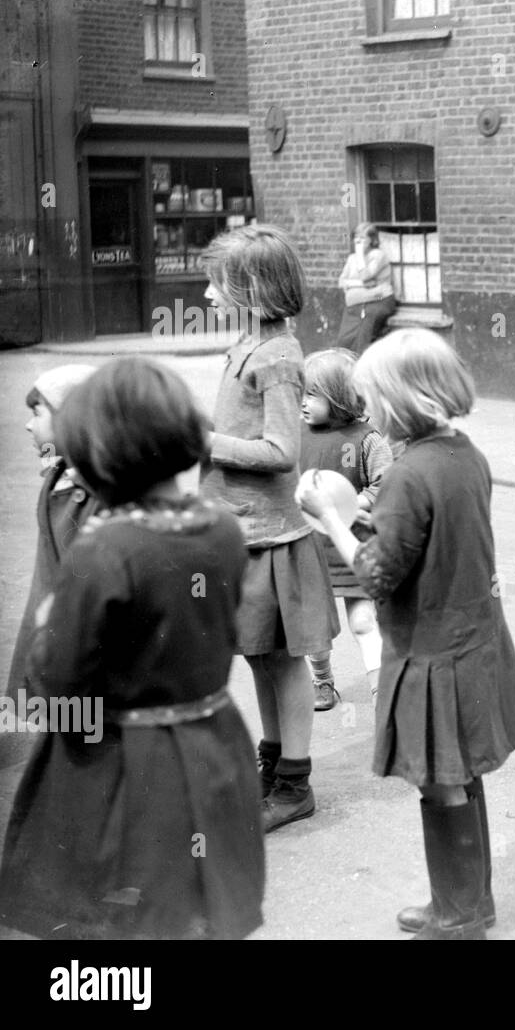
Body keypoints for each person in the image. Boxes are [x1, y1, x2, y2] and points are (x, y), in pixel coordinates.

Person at [0, 358, 264, 940]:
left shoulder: (103, 548)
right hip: (213, 741)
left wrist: (50, 624)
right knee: (193, 905)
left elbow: (61, 680)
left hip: (124, 757)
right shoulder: (220, 527)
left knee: (127, 917)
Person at [297, 328, 515, 940]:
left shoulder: (407, 474)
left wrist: (332, 519)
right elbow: (434, 531)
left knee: (438, 778)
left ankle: (459, 914)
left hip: (432, 653)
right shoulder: (464, 453)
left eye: (373, 400)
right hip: (474, 639)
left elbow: (375, 575)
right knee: (462, 773)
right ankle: (469, 901)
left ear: (407, 402)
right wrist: (376, 515)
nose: (368, 411)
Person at [200, 224, 339, 832]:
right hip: (242, 536)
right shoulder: (247, 347)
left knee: (281, 663)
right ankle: (272, 767)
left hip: (272, 539)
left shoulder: (279, 357)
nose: (207, 296)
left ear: (252, 290)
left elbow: (283, 450)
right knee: (259, 659)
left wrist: (208, 444)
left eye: (217, 284)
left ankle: (294, 784)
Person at [299, 348, 394, 710]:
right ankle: (322, 681)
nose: (303, 403)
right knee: (314, 629)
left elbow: (386, 483)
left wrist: (355, 503)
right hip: (309, 547)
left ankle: (380, 688)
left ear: (338, 398)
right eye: (301, 393)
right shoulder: (297, 435)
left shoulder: (366, 439)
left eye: (312, 395)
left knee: (363, 620)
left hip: (354, 545)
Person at [5, 365, 99, 711]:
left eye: (37, 412)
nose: (28, 424)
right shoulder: (59, 472)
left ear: (71, 419)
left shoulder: (96, 494)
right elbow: (53, 459)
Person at [336, 222, 396, 354]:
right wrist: (360, 285)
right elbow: (341, 281)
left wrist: (360, 255)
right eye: (356, 237)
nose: (358, 241)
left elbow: (365, 275)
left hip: (379, 299)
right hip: (357, 302)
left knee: (364, 334)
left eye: (362, 238)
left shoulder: (378, 255)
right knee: (345, 337)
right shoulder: (351, 259)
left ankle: (360, 362)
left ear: (372, 240)